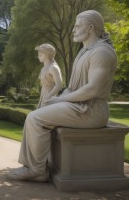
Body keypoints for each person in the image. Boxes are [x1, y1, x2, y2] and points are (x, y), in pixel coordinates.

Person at [7, 10, 117, 181]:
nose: (73, 29)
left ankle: (37, 170)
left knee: (34, 118)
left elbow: (93, 89)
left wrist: (61, 99)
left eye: (77, 26)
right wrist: (59, 98)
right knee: (38, 113)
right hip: (79, 106)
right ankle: (32, 166)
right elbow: (73, 87)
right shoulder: (85, 51)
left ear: (90, 28)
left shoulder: (101, 52)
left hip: (91, 110)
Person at [35, 44, 63, 108]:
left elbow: (59, 85)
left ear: (47, 54)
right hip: (43, 95)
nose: (38, 57)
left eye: (40, 55)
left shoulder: (53, 68)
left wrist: (49, 96)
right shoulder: (43, 68)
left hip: (50, 97)